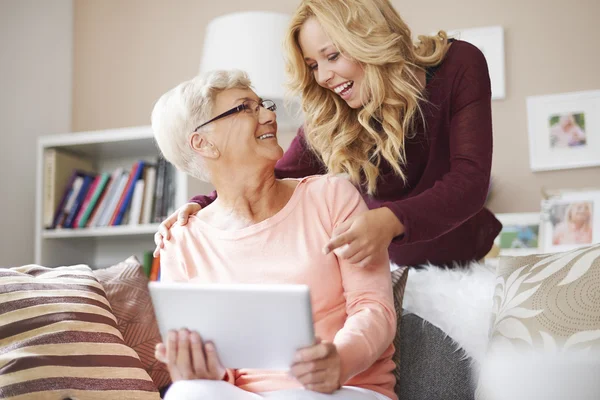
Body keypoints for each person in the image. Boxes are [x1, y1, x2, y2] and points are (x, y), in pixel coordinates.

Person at [154, 0, 502, 269]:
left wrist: (388, 219)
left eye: (332, 56)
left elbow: (468, 182)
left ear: (369, 38)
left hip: (462, 258)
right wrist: (202, 205)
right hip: (387, 266)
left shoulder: (459, 64)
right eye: (313, 66)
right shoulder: (331, 117)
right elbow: (273, 177)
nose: (323, 77)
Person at [151, 69, 397, 400]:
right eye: (245, 108)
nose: (269, 115)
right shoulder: (181, 241)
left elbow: (373, 305)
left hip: (345, 388)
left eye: (263, 105)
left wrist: (340, 359)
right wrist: (200, 369)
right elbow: (219, 371)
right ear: (203, 142)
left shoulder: (331, 196)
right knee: (186, 393)